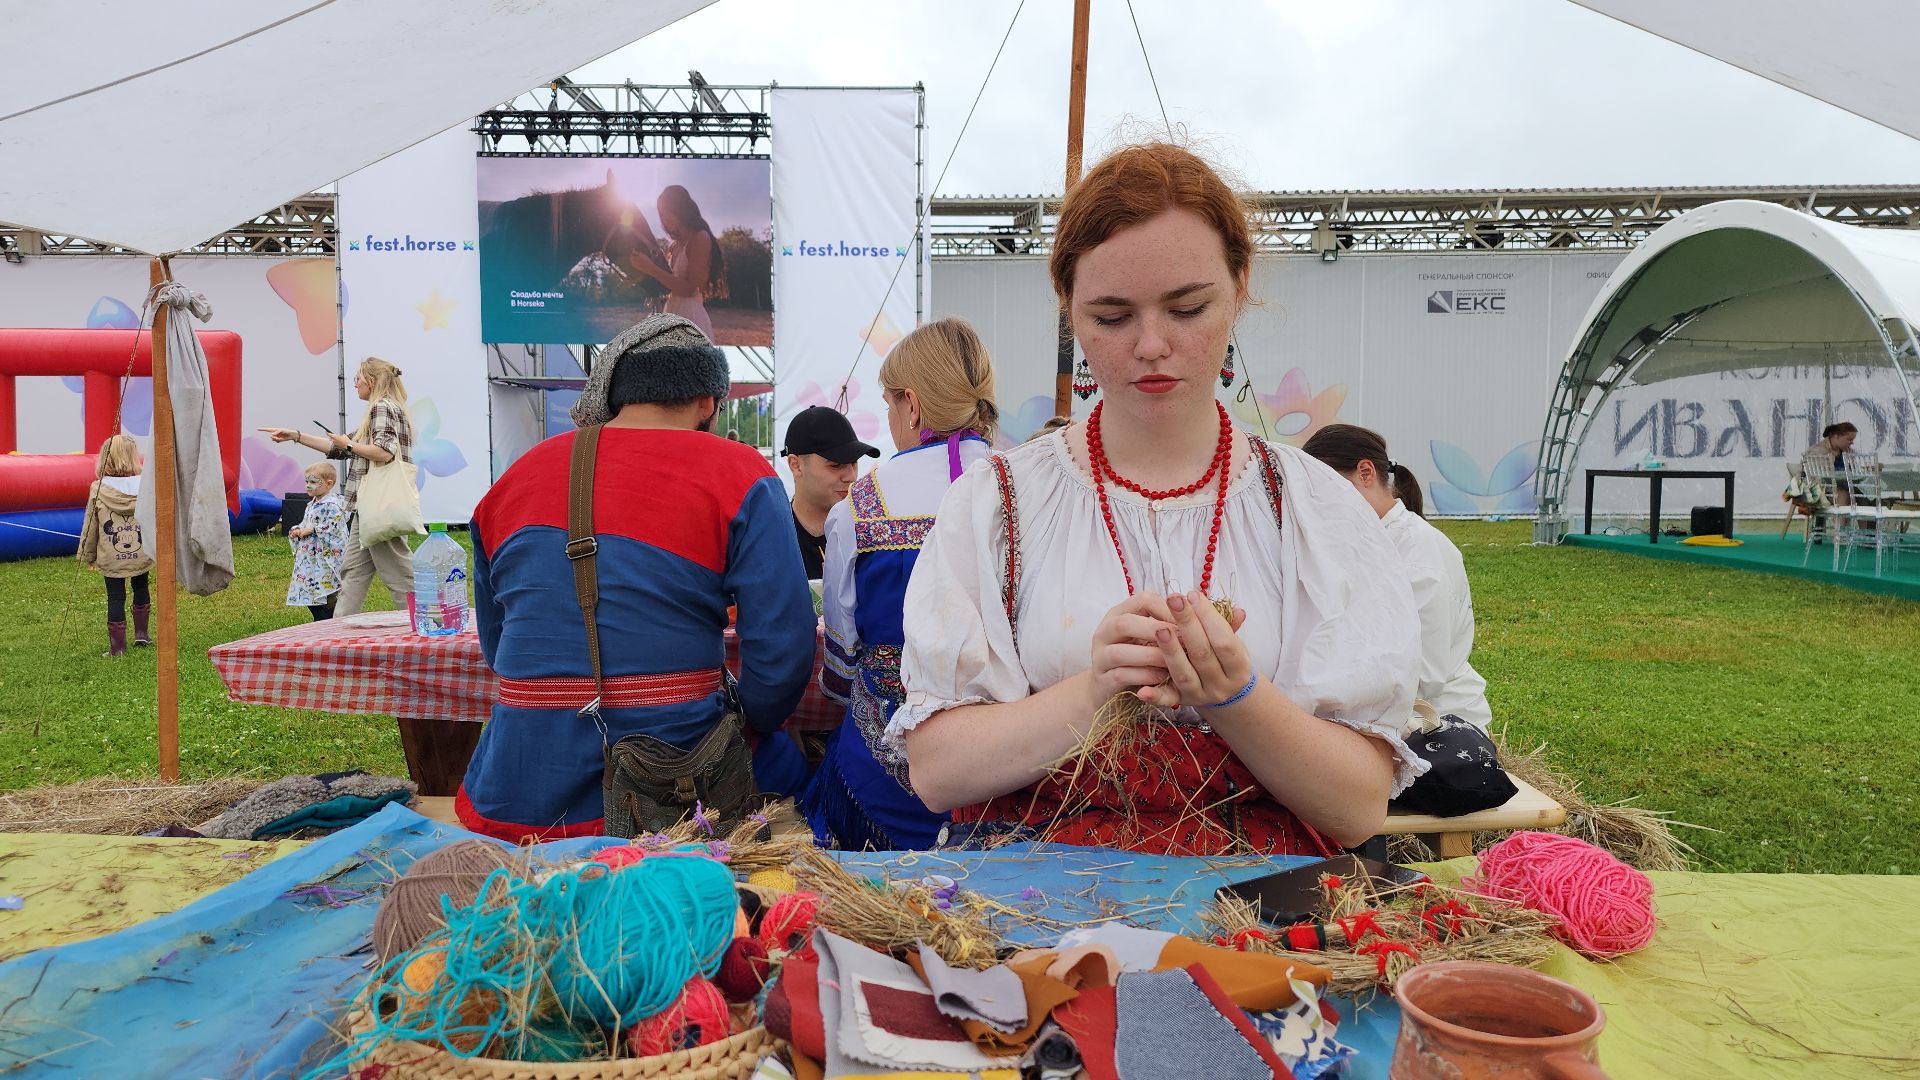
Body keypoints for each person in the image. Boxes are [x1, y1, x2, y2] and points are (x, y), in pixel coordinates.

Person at [895, 143, 1422, 857]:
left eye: (1186, 308)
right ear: (1071, 312)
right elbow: (936, 772)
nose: (1150, 345)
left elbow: (1358, 806)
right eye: (1112, 317)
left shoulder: (1318, 513)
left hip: (1259, 924)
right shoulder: (996, 506)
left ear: (1239, 288)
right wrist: (1092, 691)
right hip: (1033, 922)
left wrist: (1238, 697)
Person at [458, 314, 815, 842]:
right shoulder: (738, 472)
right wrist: (754, 718)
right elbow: (783, 651)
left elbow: (498, 647)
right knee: (802, 778)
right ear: (708, 402)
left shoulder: (513, 479)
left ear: (618, 395)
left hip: (517, 792)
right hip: (675, 800)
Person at [803, 318, 999, 850]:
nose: (890, 418)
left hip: (883, 762)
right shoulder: (1027, 487)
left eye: (889, 403)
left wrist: (835, 695)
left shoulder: (863, 506)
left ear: (911, 405)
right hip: (1006, 756)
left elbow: (843, 654)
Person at [1303, 424, 1491, 730]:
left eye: (1323, 490)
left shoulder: (1421, 553)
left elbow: (1421, 676)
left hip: (1436, 725)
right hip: (1378, 714)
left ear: (1366, 473)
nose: (1316, 506)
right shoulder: (1361, 539)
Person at [260, 357, 416, 615]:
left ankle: (425, 625)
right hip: (367, 506)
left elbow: (384, 452)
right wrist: (296, 436)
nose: (355, 385)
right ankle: (340, 629)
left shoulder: (382, 408)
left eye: (357, 379)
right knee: (353, 571)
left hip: (378, 505)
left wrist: (349, 445)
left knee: (400, 575)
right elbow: (337, 448)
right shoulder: (381, 409)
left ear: (372, 381)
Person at [77, 434, 154, 657]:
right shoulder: (146, 486)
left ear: (106, 458)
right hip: (142, 551)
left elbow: (90, 525)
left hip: (111, 556)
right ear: (132, 458)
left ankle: (118, 648)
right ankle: (142, 634)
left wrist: (88, 555)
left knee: (116, 597)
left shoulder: (99, 488)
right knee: (141, 587)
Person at [783, 405, 878, 579]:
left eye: (854, 463)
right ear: (796, 465)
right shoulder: (773, 536)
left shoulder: (870, 533)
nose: (850, 476)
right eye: (836, 465)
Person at [627, 185, 727, 341]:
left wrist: (651, 268)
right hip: (670, 314)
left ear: (681, 208)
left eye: (667, 211)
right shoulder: (674, 246)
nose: (664, 218)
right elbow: (669, 285)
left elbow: (689, 289)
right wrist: (639, 270)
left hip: (691, 319)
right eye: (661, 213)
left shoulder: (700, 238)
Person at [286, 462, 349, 621]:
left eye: (313, 482)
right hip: (311, 560)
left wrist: (314, 529)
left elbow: (335, 526)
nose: (308, 486)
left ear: (329, 484)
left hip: (324, 560)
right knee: (311, 590)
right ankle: (322, 617)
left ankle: (329, 618)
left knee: (326, 591)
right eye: (307, 481)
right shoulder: (312, 503)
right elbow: (306, 522)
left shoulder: (332, 505)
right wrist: (297, 529)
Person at [1804, 421, 1861, 506]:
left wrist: (1869, 467)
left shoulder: (1847, 451)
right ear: (1836, 436)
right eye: (1849, 439)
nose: (1851, 443)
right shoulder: (1818, 451)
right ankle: (1840, 519)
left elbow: (1856, 470)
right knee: (1842, 494)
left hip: (1845, 486)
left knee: (1865, 495)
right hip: (1821, 489)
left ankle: (1867, 518)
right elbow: (1821, 478)